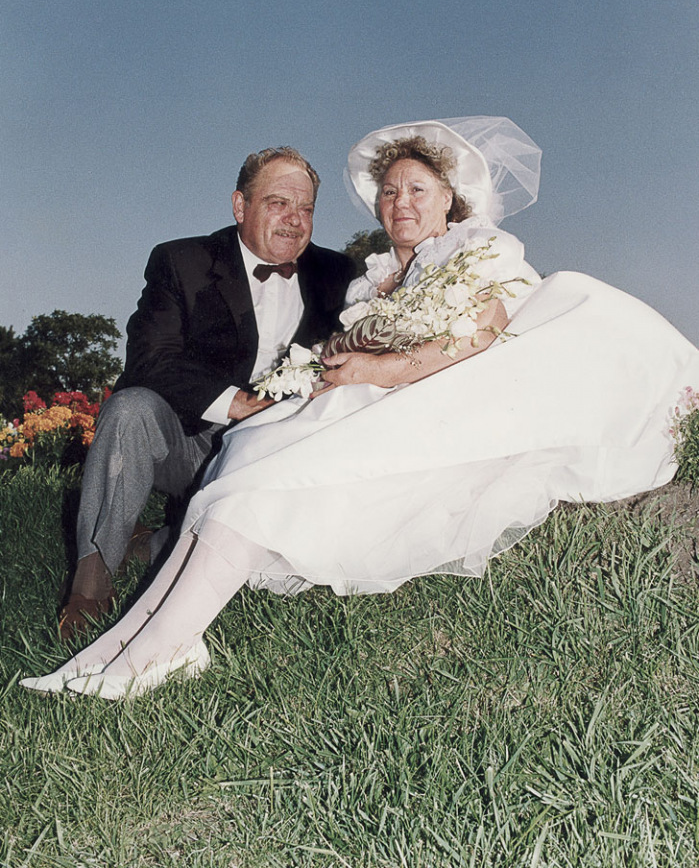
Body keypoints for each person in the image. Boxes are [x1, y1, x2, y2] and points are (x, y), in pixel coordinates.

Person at [22, 117, 699, 698]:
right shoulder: (369, 280)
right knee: (221, 476)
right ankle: (123, 645)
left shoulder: (474, 251)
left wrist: (380, 368)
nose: (399, 202)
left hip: (427, 413)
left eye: (417, 190)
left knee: (251, 487)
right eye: (389, 190)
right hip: (313, 411)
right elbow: (194, 357)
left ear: (449, 200)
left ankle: (157, 650)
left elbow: (484, 330)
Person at [58, 146, 355, 639]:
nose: (294, 221)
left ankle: (154, 545)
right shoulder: (183, 260)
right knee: (130, 409)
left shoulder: (338, 273)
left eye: (305, 209)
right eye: (278, 203)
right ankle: (90, 583)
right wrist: (236, 404)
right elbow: (151, 358)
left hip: (280, 451)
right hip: (195, 441)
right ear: (240, 206)